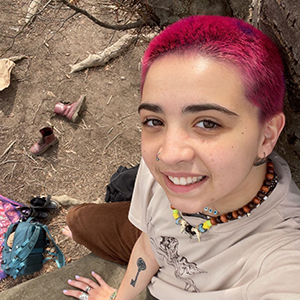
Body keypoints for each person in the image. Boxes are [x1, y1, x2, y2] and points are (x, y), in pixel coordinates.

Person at [62, 15, 300, 300]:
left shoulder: (281, 260)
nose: (168, 155)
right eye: (154, 121)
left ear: (267, 136)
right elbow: (150, 245)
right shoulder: (160, 174)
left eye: (208, 123)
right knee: (76, 220)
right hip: (154, 242)